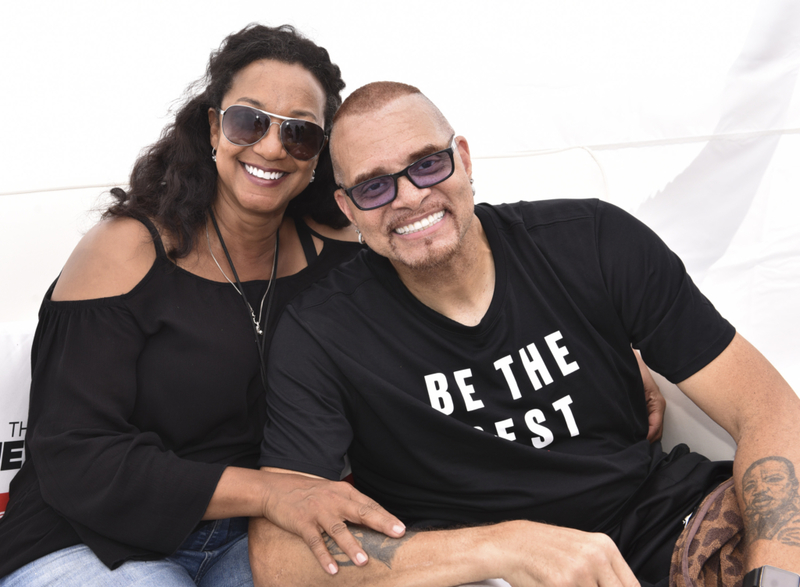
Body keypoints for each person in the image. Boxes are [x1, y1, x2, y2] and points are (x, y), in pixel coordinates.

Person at [249, 81, 800, 587]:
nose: (411, 197)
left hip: (676, 532)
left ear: (462, 159)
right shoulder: (320, 333)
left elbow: (769, 410)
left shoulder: (594, 242)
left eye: (427, 165)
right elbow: (278, 559)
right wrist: (501, 548)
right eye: (373, 187)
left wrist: (775, 576)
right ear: (348, 208)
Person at [0, 25, 407, 586]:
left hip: (254, 535)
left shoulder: (338, 258)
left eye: (300, 134)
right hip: (89, 538)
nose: (270, 147)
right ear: (215, 127)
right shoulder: (129, 249)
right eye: (250, 120)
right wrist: (271, 492)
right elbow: (77, 457)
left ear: (321, 155)